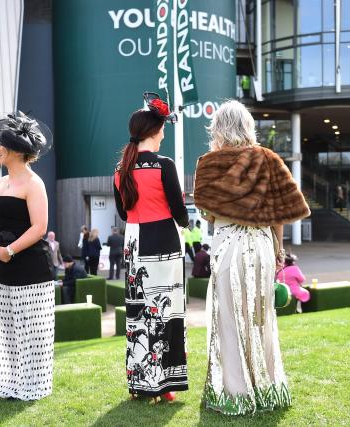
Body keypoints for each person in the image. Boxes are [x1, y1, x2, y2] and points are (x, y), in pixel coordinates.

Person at [194, 100, 310, 416]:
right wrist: (278, 253)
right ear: (248, 126)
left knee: (229, 321)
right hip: (261, 246)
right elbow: (281, 215)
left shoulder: (208, 164)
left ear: (218, 128)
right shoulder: (269, 160)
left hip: (228, 244)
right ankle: (267, 386)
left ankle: (236, 393)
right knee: (261, 318)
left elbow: (209, 215)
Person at [0, 110, 55, 401]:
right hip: (4, 266)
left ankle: (33, 386)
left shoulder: (34, 184)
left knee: (33, 331)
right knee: (7, 328)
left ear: (16, 152)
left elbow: (40, 227)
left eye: (1, 145)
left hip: (31, 265)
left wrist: (10, 250)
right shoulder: (0, 183)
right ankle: (10, 383)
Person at [114, 92, 190, 402]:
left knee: (138, 315)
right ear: (154, 131)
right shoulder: (164, 165)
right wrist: (186, 223)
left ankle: (140, 384)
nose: (164, 133)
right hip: (163, 240)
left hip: (134, 241)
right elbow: (179, 210)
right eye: (163, 128)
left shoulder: (121, 170)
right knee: (166, 313)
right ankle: (166, 385)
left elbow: (122, 212)